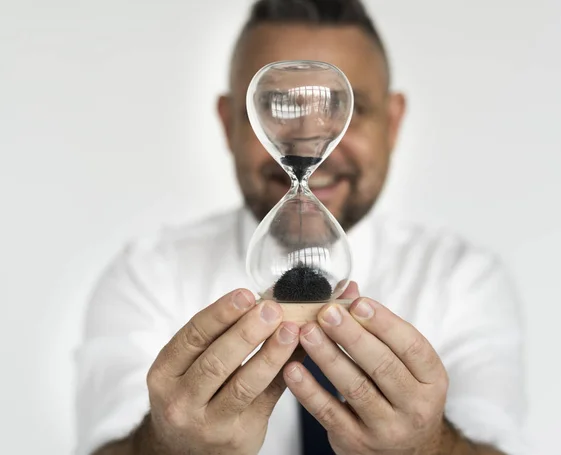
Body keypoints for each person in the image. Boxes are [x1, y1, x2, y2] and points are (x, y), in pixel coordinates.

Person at [75, 1, 526, 454]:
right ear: (229, 122)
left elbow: (495, 439)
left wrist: (432, 447)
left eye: (346, 109)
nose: (306, 137)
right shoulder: (150, 273)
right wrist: (162, 446)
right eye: (278, 107)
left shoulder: (463, 277)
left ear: (392, 122)